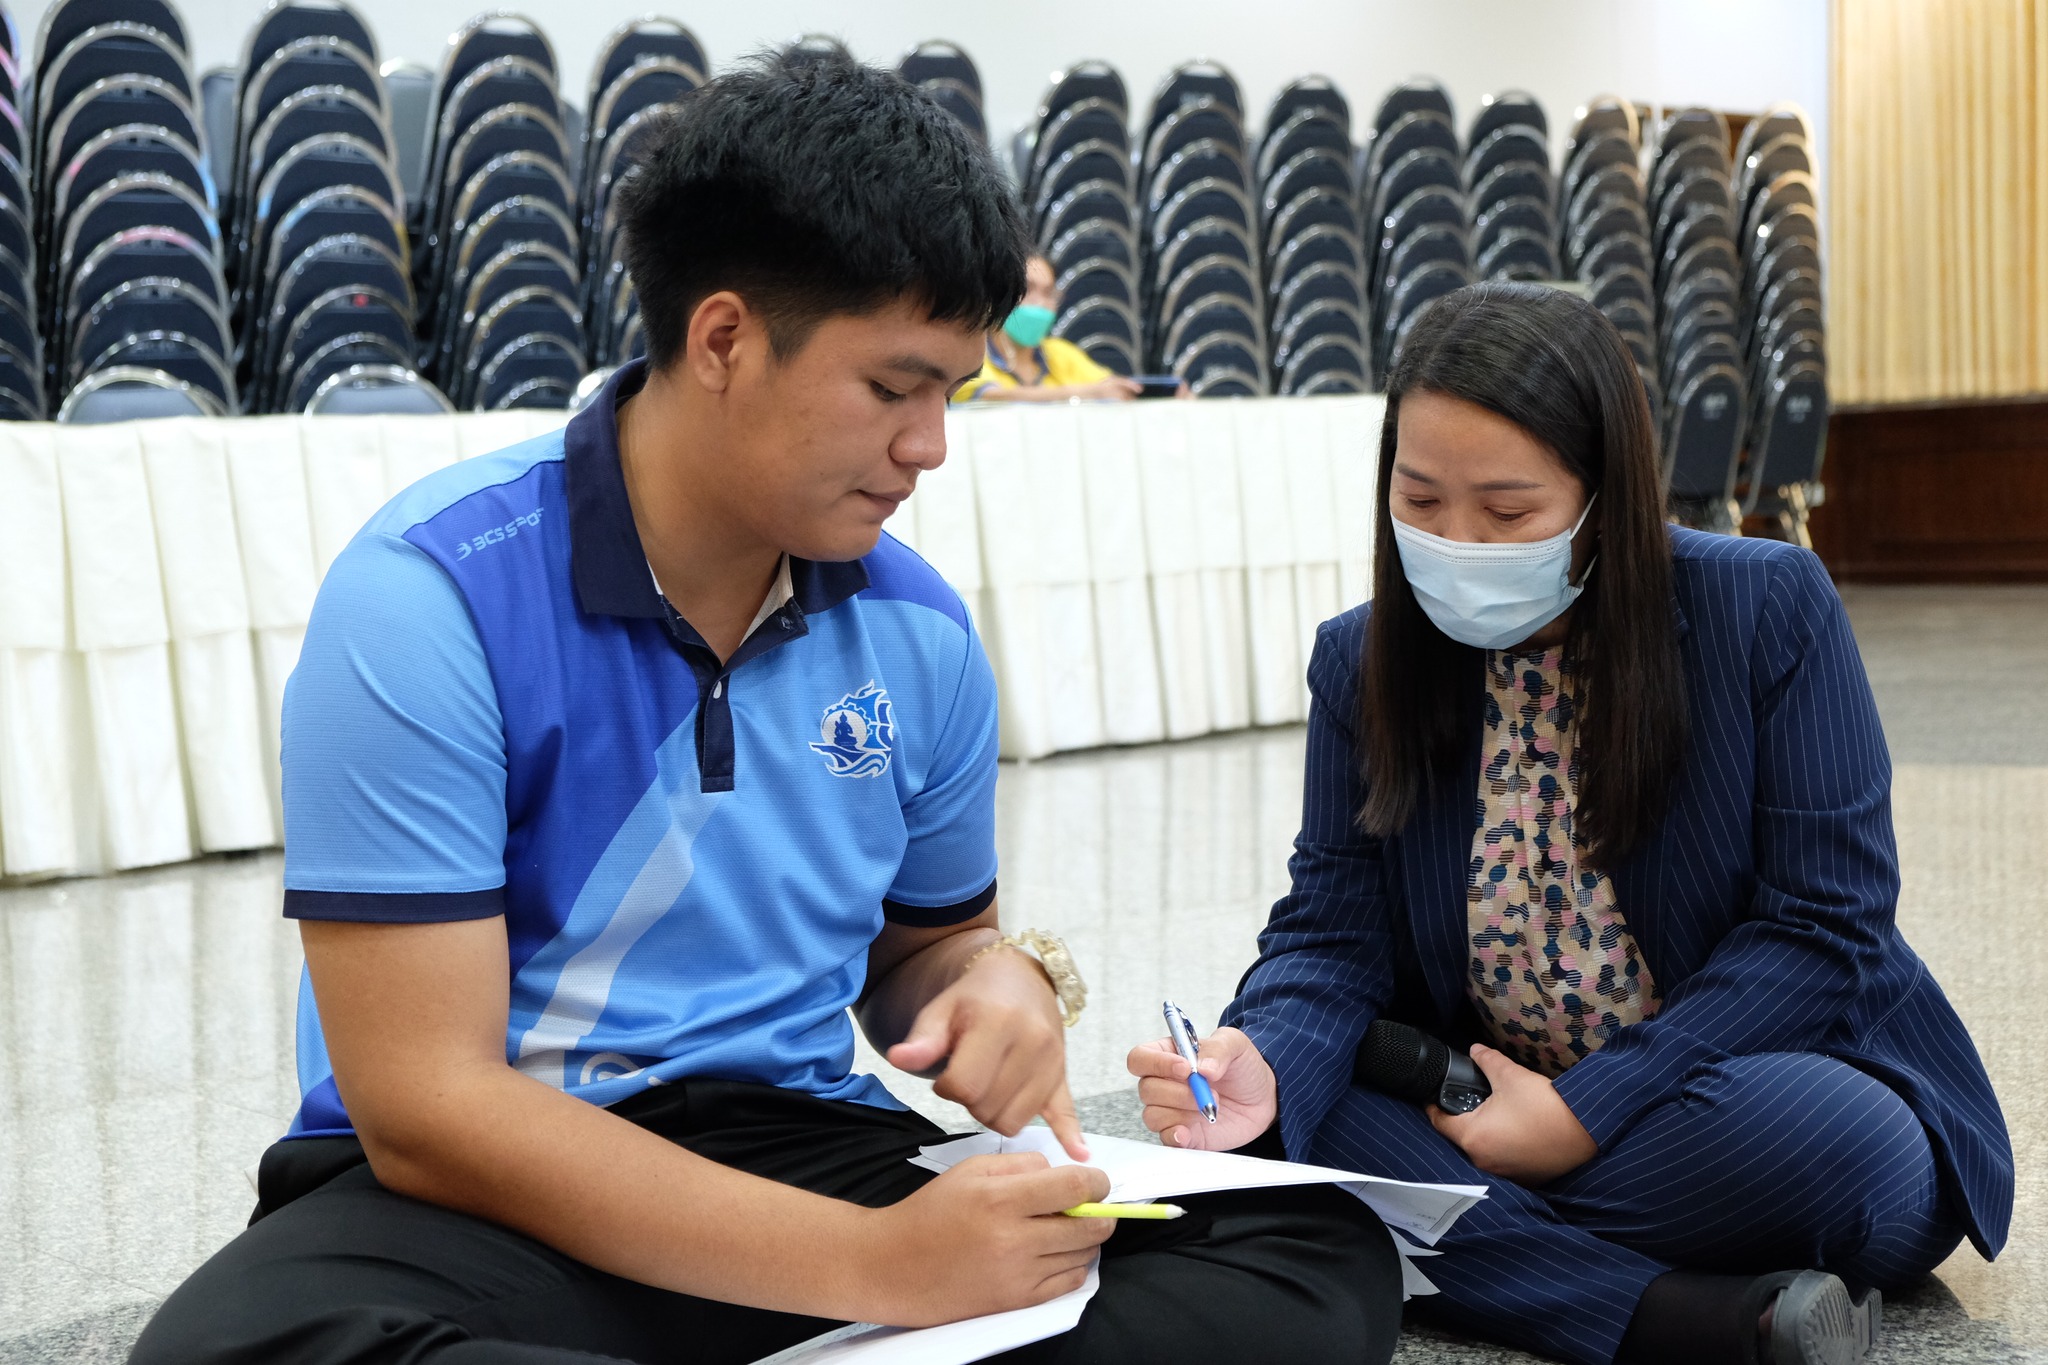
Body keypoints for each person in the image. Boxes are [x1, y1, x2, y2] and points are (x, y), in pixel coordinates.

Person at [129, 50, 1402, 1365]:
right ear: (725, 338)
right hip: (494, 1187)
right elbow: (427, 1105)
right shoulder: (431, 599)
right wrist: (882, 1268)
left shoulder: (917, 630)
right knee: (239, 1349)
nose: (930, 447)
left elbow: (929, 946)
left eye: (952, 393)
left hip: (795, 1141)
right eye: (892, 388)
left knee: (1313, 1254)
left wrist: (995, 980)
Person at [1128, 282, 2013, 1365]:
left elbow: (1822, 925)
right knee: (1290, 1111)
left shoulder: (1763, 605)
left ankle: (1432, 1240)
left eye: (1507, 514)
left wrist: (1579, 1114)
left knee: (1840, 1146)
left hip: (1719, 1088)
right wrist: (1260, 1062)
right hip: (1484, 1103)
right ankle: (1672, 1319)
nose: (1457, 542)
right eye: (1419, 502)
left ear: (1608, 499)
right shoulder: (1361, 659)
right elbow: (1329, 929)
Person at [956, 253, 1144, 402]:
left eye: (1048, 293)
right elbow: (991, 397)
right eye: (1028, 289)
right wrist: (1085, 392)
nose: (1040, 303)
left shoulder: (1061, 354)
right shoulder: (972, 353)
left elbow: (1110, 387)